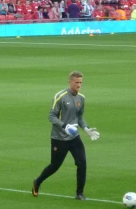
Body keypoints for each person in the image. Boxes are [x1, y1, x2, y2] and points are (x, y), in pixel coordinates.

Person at [32, 71, 100, 200]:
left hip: (74, 138)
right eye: (76, 82)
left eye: (80, 82)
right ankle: (37, 181)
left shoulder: (81, 98)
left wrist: (86, 128)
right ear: (70, 82)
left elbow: (79, 117)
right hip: (59, 138)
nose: (79, 85)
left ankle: (79, 193)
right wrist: (65, 126)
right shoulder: (60, 97)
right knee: (55, 166)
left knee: (82, 164)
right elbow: (51, 116)